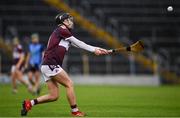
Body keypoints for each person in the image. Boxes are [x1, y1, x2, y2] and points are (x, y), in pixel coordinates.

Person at [21, 13, 109, 117]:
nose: (71, 21)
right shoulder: (61, 29)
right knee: (69, 84)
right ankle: (75, 111)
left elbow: (79, 44)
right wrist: (94, 50)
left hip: (47, 65)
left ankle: (29, 103)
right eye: (68, 20)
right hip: (51, 64)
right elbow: (79, 42)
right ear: (63, 22)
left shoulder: (64, 34)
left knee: (54, 96)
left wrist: (98, 49)